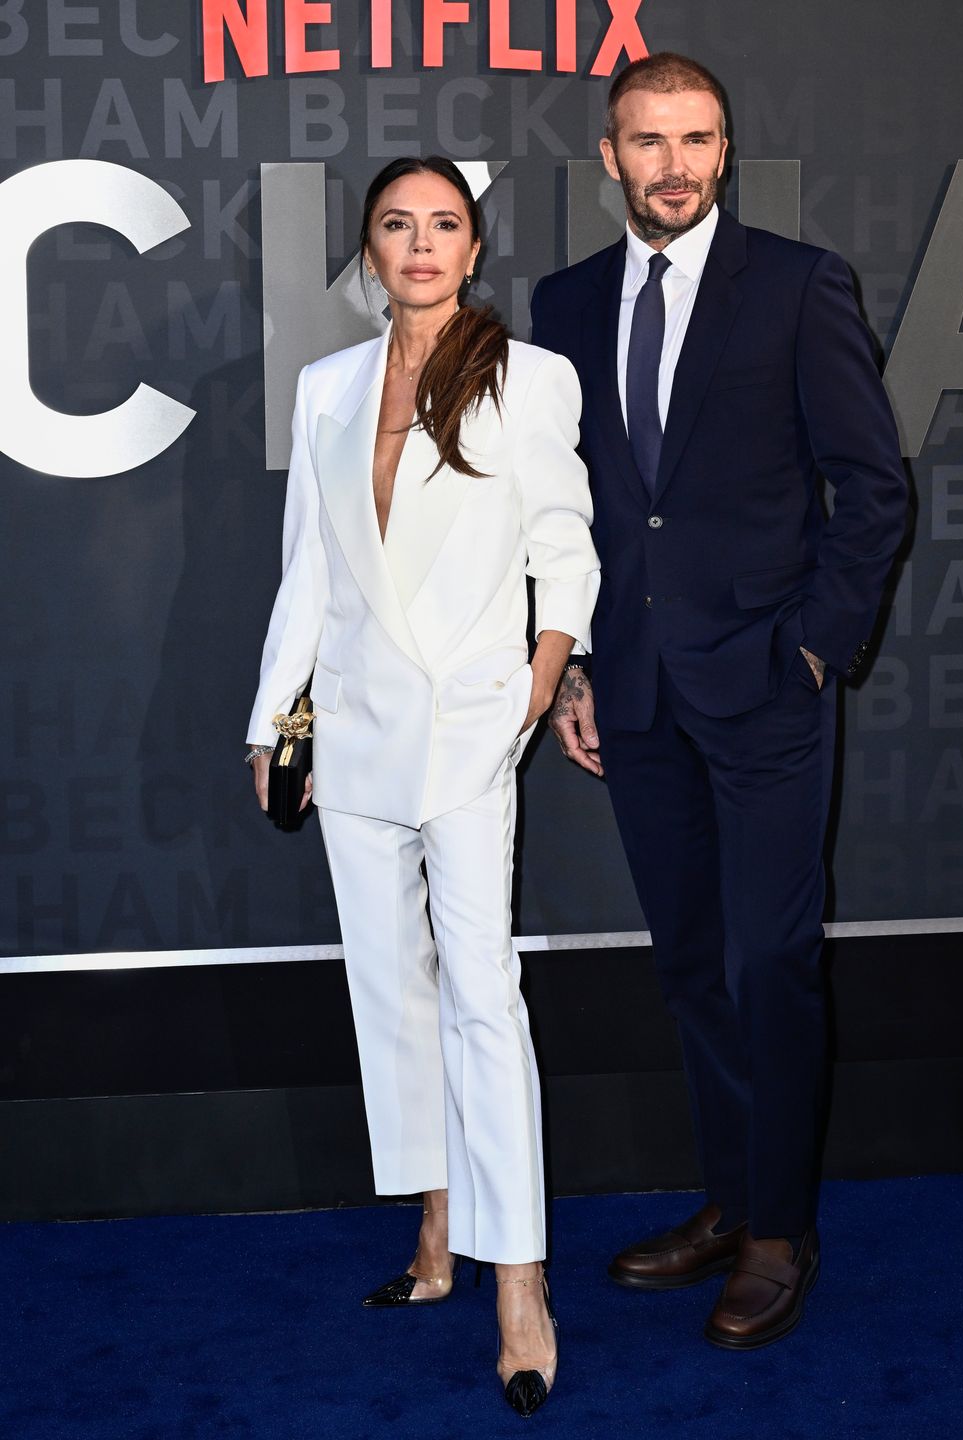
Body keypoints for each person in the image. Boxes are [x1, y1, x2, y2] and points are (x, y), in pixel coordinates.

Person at [532, 54, 908, 1349]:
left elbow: (875, 488)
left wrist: (814, 648)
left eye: (698, 139)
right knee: (693, 966)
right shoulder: (564, 301)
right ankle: (731, 1195)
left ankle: (778, 1232)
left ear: (727, 151)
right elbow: (570, 510)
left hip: (767, 691)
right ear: (611, 156)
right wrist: (575, 663)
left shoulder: (799, 287)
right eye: (650, 140)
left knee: (771, 963)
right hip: (633, 695)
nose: (675, 163)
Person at [246, 155, 599, 1414]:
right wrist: (271, 717)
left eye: (444, 223)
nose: (421, 243)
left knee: (482, 997)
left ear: (474, 242)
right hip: (349, 730)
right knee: (390, 993)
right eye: (397, 225)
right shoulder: (329, 384)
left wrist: (538, 676)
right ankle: (438, 1232)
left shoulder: (528, 377)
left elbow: (565, 547)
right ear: (369, 249)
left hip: (466, 729)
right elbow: (309, 572)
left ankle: (520, 1278)